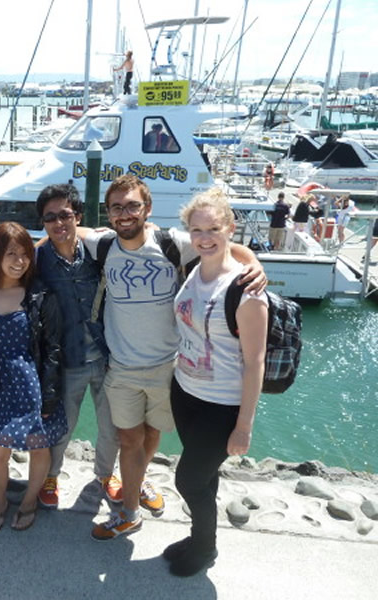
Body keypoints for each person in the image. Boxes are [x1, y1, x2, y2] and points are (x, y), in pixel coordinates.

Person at [81, 175, 265, 541]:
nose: (124, 214)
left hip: (170, 369)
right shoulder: (102, 245)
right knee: (129, 439)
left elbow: (220, 244)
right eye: (116, 207)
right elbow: (64, 232)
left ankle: (139, 482)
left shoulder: (172, 243)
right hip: (123, 368)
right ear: (109, 212)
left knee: (151, 436)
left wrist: (255, 262)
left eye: (133, 205)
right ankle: (129, 510)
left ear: (147, 209)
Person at [165, 188, 268, 577]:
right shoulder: (195, 266)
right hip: (186, 392)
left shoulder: (247, 292)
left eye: (213, 229)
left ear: (230, 228)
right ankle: (197, 536)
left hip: (222, 405)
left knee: (188, 479)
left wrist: (244, 426)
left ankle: (205, 548)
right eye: (197, 230)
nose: (205, 238)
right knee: (204, 476)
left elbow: (254, 362)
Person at [0, 222, 67, 533]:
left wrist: (50, 396)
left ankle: (29, 501)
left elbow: (53, 348)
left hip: (33, 388)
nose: (19, 261)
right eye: (11, 253)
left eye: (24, 254)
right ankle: (0, 502)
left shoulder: (39, 293)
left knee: (39, 447)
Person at [33, 184, 122, 509]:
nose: (59, 223)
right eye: (50, 218)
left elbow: (144, 236)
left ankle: (105, 474)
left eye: (65, 215)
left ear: (78, 216)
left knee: (110, 426)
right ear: (43, 222)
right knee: (62, 426)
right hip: (66, 362)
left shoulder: (98, 251)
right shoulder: (39, 259)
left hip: (107, 356)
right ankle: (51, 476)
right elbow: (6, 263)